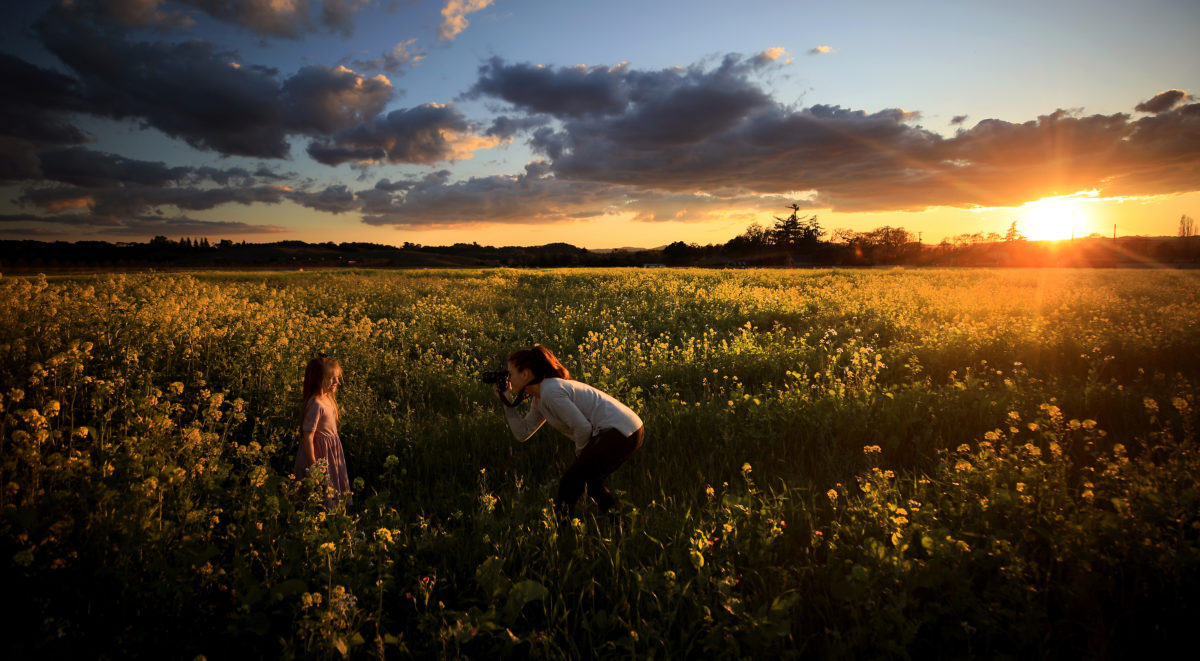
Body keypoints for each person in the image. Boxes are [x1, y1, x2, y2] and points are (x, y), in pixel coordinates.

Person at [495, 345, 644, 519]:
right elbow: (522, 433)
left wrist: (580, 455)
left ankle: (562, 531)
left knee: (569, 482)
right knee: (589, 482)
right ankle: (623, 523)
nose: (508, 379)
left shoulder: (551, 391)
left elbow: (583, 428)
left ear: (525, 374)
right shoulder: (540, 398)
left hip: (620, 430)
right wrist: (507, 404)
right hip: (629, 429)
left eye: (510, 374)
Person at [294, 353, 350, 504]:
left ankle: (333, 519)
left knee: (330, 491)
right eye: (332, 378)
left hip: (330, 452)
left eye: (337, 378)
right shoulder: (316, 404)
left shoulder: (328, 399)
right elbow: (308, 437)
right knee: (317, 493)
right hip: (318, 456)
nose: (337, 382)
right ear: (318, 379)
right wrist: (313, 466)